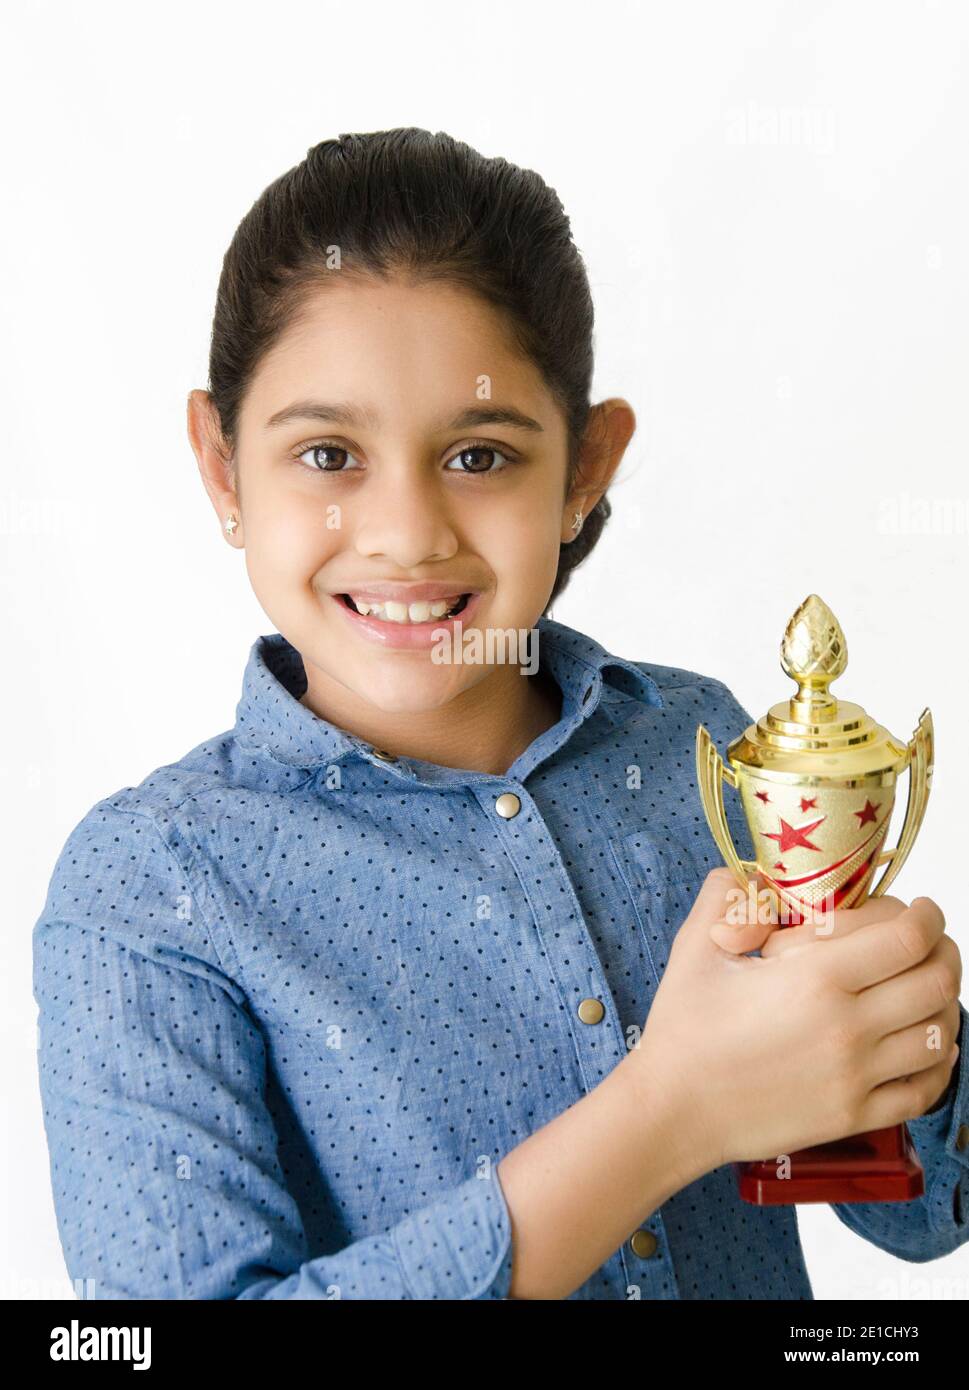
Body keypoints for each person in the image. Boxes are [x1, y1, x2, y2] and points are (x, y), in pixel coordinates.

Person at [32, 128, 967, 1301]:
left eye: (478, 455)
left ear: (585, 468)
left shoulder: (706, 753)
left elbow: (921, 1214)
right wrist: (666, 1113)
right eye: (328, 452)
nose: (408, 531)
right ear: (223, 467)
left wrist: (903, 1037)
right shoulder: (149, 886)